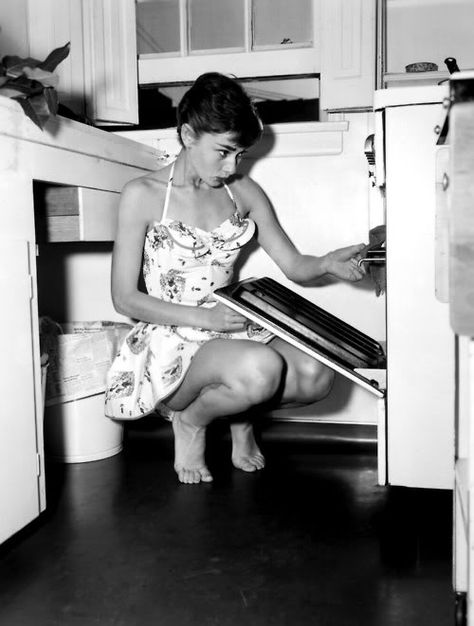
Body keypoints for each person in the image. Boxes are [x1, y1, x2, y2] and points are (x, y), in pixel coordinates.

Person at [105, 72, 366, 485]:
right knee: (260, 370)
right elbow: (124, 298)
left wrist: (327, 263)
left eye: (240, 154)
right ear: (188, 135)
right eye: (224, 151)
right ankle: (190, 422)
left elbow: (295, 265)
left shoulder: (243, 191)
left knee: (319, 373)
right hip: (175, 335)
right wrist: (205, 320)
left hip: (232, 328)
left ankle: (239, 412)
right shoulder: (143, 193)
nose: (231, 167)